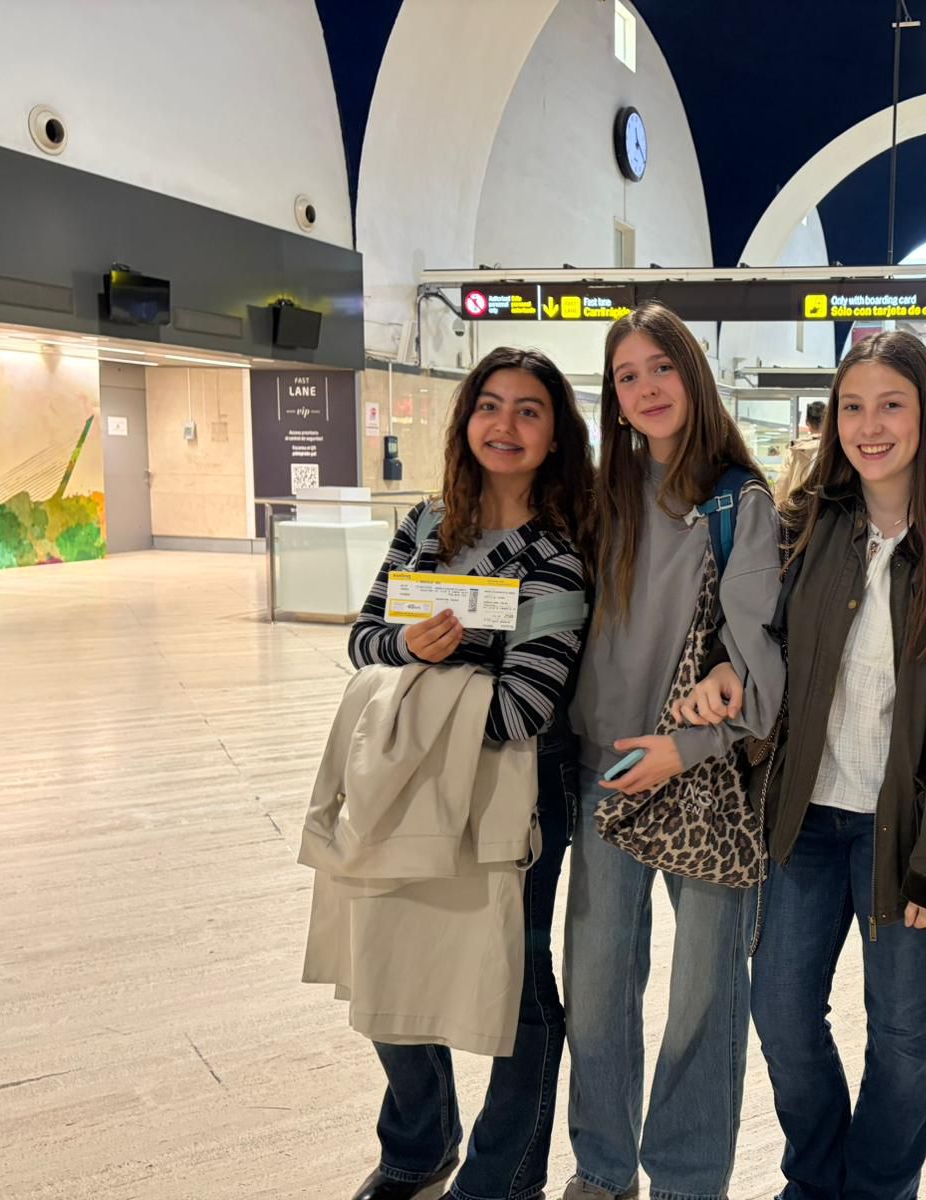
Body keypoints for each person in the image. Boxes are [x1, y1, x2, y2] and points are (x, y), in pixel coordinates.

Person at [677, 331, 926, 1200]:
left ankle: (879, 1189)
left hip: (904, 834)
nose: (870, 427)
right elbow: (757, 635)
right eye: (853, 408)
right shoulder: (810, 526)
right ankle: (817, 1178)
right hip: (805, 819)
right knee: (782, 1012)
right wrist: (721, 667)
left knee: (900, 1031)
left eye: (891, 405)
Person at [344, 347, 594, 1200]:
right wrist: (407, 646)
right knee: (391, 955)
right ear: (465, 420)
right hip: (407, 778)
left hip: (517, 789)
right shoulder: (426, 526)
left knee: (513, 977)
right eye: (490, 405)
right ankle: (418, 1146)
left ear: (556, 434)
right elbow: (364, 640)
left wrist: (418, 681)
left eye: (529, 410)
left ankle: (503, 1176)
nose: (505, 425)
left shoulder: (557, 555)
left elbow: (522, 710)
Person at [563, 303, 785, 1200]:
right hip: (603, 770)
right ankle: (602, 1168)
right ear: (612, 397)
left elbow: (759, 669)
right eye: (627, 375)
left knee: (705, 995)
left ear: (693, 375)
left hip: (702, 779)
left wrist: (688, 744)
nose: (646, 387)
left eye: (661, 367)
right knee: (597, 988)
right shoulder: (598, 500)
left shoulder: (738, 501)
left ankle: (689, 1181)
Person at [773, 399, 827, 505]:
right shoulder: (835, 449)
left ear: (807, 422)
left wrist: (779, 507)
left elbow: (782, 484)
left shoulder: (795, 450)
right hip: (827, 509)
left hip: (797, 508)